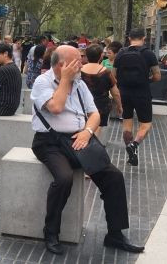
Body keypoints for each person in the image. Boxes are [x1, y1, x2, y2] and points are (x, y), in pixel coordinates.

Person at [31, 45, 145, 255]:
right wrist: (64, 80)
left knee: (114, 177)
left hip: (79, 139)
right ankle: (51, 232)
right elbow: (55, 107)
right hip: (50, 142)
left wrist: (87, 132)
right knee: (64, 178)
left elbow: (94, 114)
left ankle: (115, 234)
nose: (81, 64)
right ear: (61, 65)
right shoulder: (42, 82)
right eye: (77, 61)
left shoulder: (80, 84)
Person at [113, 28, 161, 166]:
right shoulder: (149, 54)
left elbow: (114, 75)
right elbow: (157, 76)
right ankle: (134, 144)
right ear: (143, 38)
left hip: (124, 93)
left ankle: (131, 155)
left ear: (129, 39)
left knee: (127, 124)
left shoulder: (121, 54)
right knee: (145, 124)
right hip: (142, 93)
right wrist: (147, 80)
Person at [81, 44, 122, 138]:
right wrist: (119, 106)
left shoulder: (79, 70)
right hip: (101, 105)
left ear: (87, 56)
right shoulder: (106, 72)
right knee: (97, 127)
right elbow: (115, 93)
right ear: (101, 56)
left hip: (82, 103)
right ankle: (93, 145)